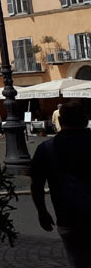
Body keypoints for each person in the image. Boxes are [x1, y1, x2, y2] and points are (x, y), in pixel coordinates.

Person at [31, 102, 91, 267]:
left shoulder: (47, 148)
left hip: (68, 218)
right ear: (86, 119)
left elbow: (36, 185)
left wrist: (42, 212)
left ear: (61, 120)